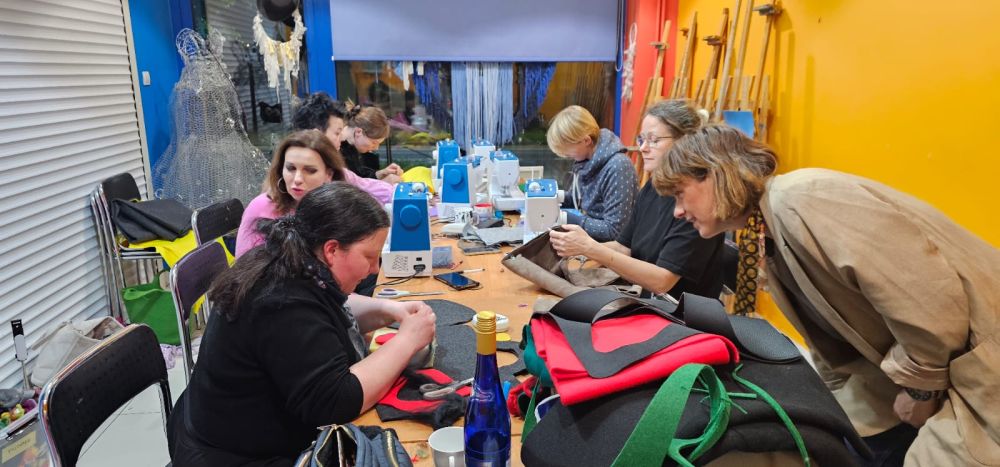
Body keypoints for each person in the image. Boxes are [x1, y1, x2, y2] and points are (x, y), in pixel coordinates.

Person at [652, 124, 1000, 466]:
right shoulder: (769, 228)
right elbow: (829, 337)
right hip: (932, 361)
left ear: (715, 174)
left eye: (680, 194)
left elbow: (929, 297)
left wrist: (919, 391)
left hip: (977, 359)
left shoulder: (799, 197)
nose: (677, 212)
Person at [168, 182, 437, 466]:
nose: (375, 269)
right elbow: (337, 401)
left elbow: (330, 306)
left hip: (226, 430)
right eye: (369, 257)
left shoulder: (291, 261)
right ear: (332, 249)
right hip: (233, 457)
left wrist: (389, 309)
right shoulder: (279, 300)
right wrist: (406, 340)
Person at [549, 100, 724, 299]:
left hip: (677, 312)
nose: (643, 148)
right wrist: (575, 249)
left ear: (684, 141)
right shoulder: (653, 187)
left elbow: (662, 282)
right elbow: (623, 247)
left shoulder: (698, 202)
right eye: (642, 140)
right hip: (643, 298)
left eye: (654, 140)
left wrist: (591, 248)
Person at [235, 130, 344, 257]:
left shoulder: (337, 208)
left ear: (329, 174)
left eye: (310, 170)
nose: (297, 179)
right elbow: (245, 265)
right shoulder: (261, 208)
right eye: (291, 168)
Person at [546, 105, 637, 242]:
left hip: (610, 247)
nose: (564, 155)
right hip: (592, 242)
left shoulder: (618, 167)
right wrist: (551, 198)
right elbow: (579, 199)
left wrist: (565, 218)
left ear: (586, 141)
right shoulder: (586, 161)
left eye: (567, 150)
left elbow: (615, 231)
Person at [291, 92, 395, 204]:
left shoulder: (337, 169)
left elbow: (362, 185)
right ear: (316, 135)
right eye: (337, 133)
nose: (341, 138)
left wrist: (393, 191)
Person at [336, 102, 403, 182]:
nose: (376, 148)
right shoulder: (336, 150)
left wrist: (380, 174)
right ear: (358, 132)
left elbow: (359, 176)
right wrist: (383, 183)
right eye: (374, 142)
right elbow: (347, 185)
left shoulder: (351, 147)